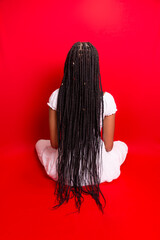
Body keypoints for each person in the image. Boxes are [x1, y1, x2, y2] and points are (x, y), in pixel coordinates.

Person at [35, 42, 128, 214]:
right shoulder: (106, 99)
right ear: (94, 66)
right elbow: (108, 146)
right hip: (99, 169)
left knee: (40, 143)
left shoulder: (57, 96)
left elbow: (54, 144)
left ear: (69, 66)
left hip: (65, 170)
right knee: (122, 146)